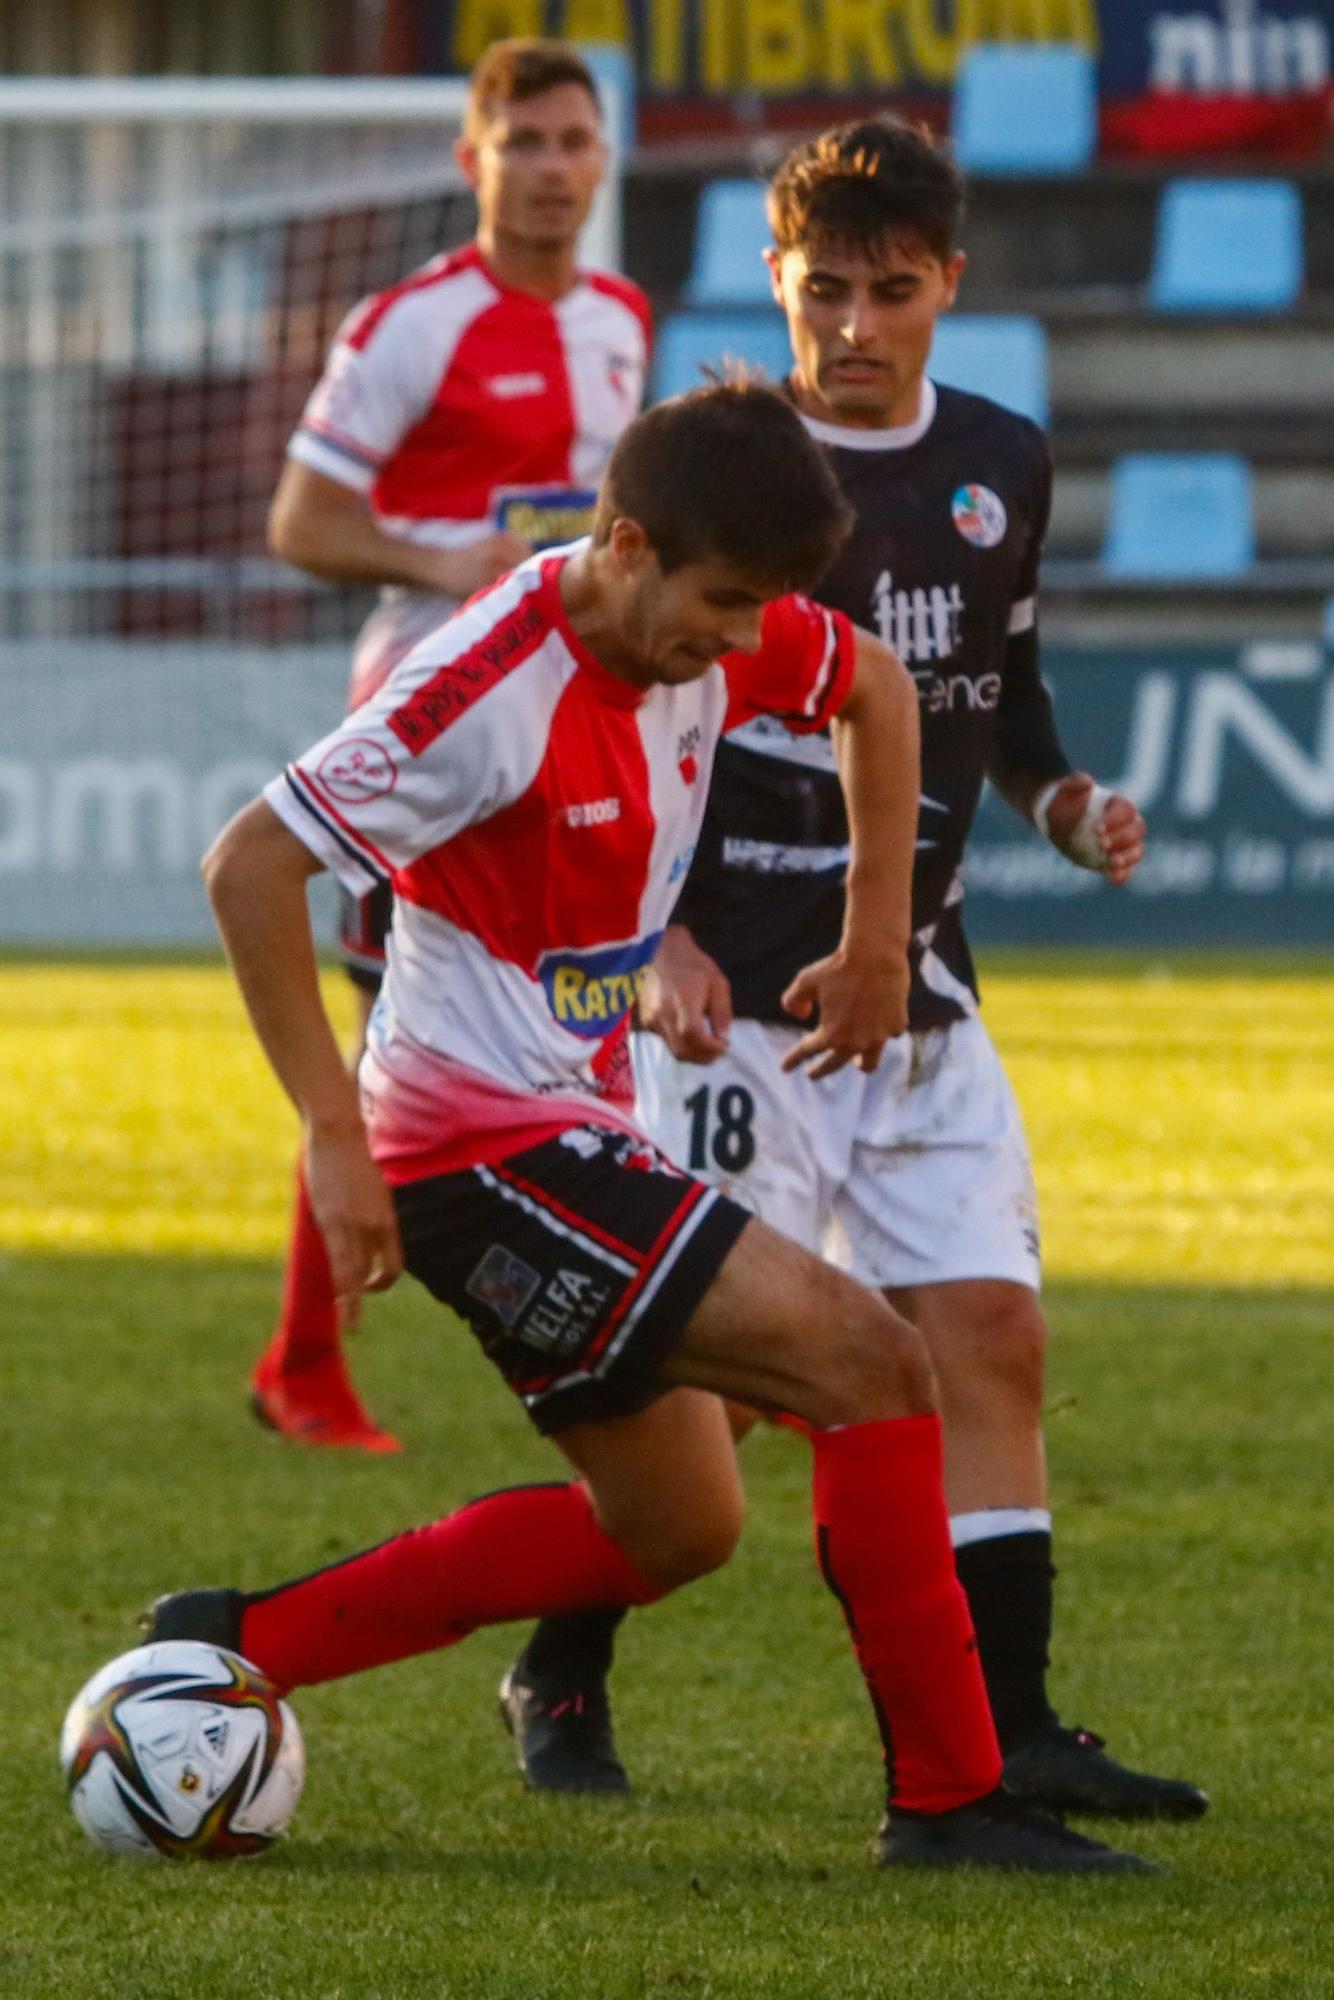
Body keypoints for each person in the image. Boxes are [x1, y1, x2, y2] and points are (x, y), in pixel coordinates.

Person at [149, 382, 1155, 1874]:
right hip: (477, 1157)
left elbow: (874, 683)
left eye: (765, 611)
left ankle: (231, 1643)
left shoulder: (702, 621)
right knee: (874, 1360)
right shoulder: (480, 687)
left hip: (574, 1136)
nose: (746, 646)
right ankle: (951, 1802)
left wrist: (877, 935)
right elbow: (248, 868)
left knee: (678, 1526)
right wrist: (329, 1133)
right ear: (623, 545)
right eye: (726, 606)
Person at [501, 119, 1208, 1826]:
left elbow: (1000, 695)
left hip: (918, 987)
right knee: (714, 1409)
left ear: (949, 287)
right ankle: (559, 1653)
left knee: (991, 1338)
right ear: (774, 283)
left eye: (894, 292)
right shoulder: (704, 469)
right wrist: (646, 934)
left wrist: (1059, 799)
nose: (857, 326)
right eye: (825, 290)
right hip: (733, 996)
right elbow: (606, 709)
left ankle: (1013, 1722)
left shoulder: (1000, 465)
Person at [253, 36, 650, 1450]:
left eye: (573, 143)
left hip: (568, 710)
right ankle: (305, 1358)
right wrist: (450, 557)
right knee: (392, 1018)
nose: (552, 170)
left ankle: (671, 1296)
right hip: (426, 705)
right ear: (470, 158)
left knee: (589, 980)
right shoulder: (409, 322)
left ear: (603, 160)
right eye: (524, 142)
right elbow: (302, 522)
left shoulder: (619, 317)